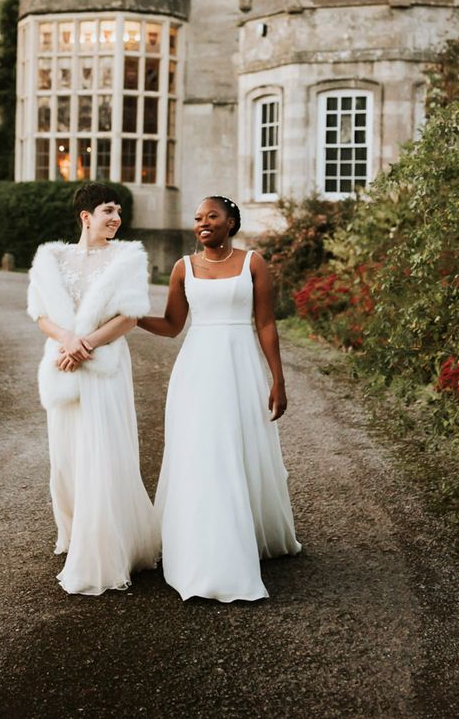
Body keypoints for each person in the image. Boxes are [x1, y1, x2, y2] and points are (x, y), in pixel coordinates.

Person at [138, 195, 301, 602]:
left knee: (237, 448)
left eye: (212, 216)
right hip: (196, 371)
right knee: (202, 453)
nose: (203, 223)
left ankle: (244, 537)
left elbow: (265, 323)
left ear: (231, 223)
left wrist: (277, 379)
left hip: (240, 367)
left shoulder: (253, 263)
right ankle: (203, 551)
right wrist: (132, 315)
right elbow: (173, 325)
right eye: (198, 218)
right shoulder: (182, 268)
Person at [27, 182, 160, 595]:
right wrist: (67, 341)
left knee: (103, 452)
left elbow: (130, 317)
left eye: (118, 210)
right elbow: (40, 314)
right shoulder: (52, 257)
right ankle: (73, 531)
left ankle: (106, 547)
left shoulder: (128, 258)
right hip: (63, 365)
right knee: (66, 456)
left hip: (103, 369)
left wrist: (85, 345)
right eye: (107, 210)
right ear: (86, 216)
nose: (115, 218)